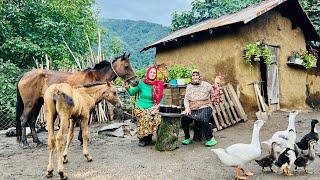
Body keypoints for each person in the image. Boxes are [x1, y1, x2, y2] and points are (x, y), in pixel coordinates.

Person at [125, 66, 164, 147]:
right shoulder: (141, 83)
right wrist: (127, 87)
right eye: (151, 72)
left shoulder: (158, 84)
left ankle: (149, 137)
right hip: (140, 108)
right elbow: (132, 92)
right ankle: (142, 139)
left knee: (157, 117)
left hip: (153, 107)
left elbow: (161, 99)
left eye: (154, 73)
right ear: (148, 73)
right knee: (146, 117)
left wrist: (156, 108)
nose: (152, 74)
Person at [181, 69, 217, 147]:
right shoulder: (189, 87)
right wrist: (187, 108)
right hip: (193, 108)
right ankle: (187, 138)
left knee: (203, 118)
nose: (195, 77)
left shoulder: (207, 85)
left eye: (197, 75)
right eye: (193, 75)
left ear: (200, 76)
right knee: (184, 118)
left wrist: (215, 90)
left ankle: (211, 139)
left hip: (205, 106)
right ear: (191, 77)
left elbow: (214, 94)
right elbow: (186, 99)